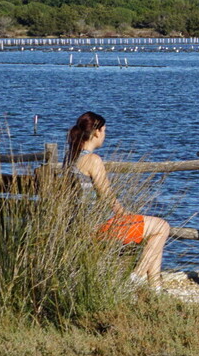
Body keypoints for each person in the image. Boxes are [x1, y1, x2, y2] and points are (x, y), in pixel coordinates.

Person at [65, 111, 172, 284]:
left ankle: (155, 287)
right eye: (104, 131)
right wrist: (124, 215)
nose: (104, 135)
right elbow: (107, 197)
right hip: (94, 230)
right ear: (97, 132)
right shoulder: (92, 160)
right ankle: (136, 277)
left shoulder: (70, 158)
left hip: (77, 226)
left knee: (155, 232)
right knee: (161, 226)